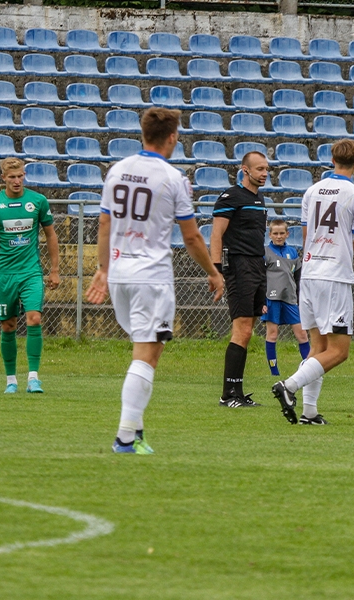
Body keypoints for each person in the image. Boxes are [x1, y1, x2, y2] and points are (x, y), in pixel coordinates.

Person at [86, 107, 224, 454]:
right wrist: (212, 271)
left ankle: (137, 431)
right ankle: (124, 437)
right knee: (147, 356)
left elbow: (104, 225)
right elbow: (192, 238)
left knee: (142, 350)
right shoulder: (172, 178)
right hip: (151, 276)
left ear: (143, 133)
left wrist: (103, 269)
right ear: (173, 137)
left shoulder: (118, 170)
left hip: (119, 273)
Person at [271, 139, 354, 425]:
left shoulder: (311, 191)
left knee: (318, 348)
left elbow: (304, 235)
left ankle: (309, 412)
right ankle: (288, 386)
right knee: (339, 352)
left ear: (332, 160)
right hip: (334, 276)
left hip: (310, 273)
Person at [0, 157, 60, 394]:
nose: (17, 181)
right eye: (12, 177)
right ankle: (11, 380)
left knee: (34, 318)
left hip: (31, 272)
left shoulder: (38, 201)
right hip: (5, 275)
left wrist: (54, 270)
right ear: (3, 178)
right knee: (8, 326)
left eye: (20, 176)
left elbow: (51, 236)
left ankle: (33, 377)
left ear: (24, 176)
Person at [209, 151, 269, 408]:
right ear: (245, 170)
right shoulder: (230, 196)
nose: (265, 173)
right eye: (260, 169)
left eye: (267, 169)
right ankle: (228, 394)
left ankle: (237, 392)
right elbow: (216, 235)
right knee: (241, 329)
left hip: (257, 265)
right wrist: (216, 270)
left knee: (248, 330)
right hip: (239, 265)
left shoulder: (260, 198)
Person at [262, 219, 310, 376]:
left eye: (282, 233)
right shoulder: (265, 253)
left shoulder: (293, 252)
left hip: (290, 298)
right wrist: (261, 300)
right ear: (270, 235)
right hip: (271, 298)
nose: (279, 236)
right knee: (273, 334)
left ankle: (310, 370)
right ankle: (274, 373)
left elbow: (298, 277)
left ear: (287, 234)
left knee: (302, 334)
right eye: (275, 233)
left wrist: (299, 297)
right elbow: (260, 278)